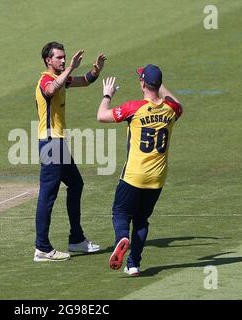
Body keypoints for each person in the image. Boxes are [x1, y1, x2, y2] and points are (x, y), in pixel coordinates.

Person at [96, 64, 183, 275]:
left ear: (143, 83)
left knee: (120, 212)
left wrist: (107, 95)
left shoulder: (134, 108)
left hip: (133, 176)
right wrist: (160, 87)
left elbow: (101, 115)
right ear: (159, 85)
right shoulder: (172, 110)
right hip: (157, 178)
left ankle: (122, 238)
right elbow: (177, 103)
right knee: (142, 220)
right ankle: (133, 264)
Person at [33, 42, 106, 262]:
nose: (63, 61)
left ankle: (76, 239)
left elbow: (84, 82)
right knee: (48, 195)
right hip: (50, 144)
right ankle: (42, 248)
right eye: (59, 58)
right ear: (48, 60)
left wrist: (95, 71)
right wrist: (70, 68)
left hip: (58, 143)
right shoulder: (45, 79)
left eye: (65, 58)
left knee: (76, 184)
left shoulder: (61, 78)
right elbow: (50, 89)